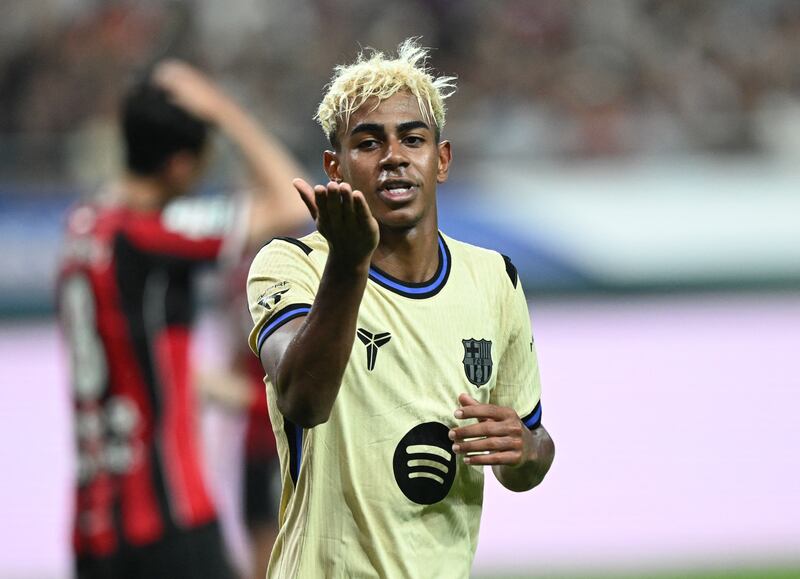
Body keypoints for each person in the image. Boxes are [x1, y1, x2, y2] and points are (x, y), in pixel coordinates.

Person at [246, 38, 556, 578]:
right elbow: (303, 401)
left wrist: (524, 449)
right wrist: (349, 262)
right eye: (368, 143)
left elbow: (531, 454)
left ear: (442, 160)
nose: (393, 156)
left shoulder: (494, 279)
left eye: (412, 139)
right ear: (335, 167)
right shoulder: (294, 264)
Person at [57, 60, 307, 579]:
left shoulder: (83, 228)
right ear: (178, 165)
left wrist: (196, 383)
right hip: (166, 520)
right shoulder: (151, 231)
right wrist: (222, 109)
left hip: (92, 528)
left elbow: (123, 348)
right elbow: (291, 202)